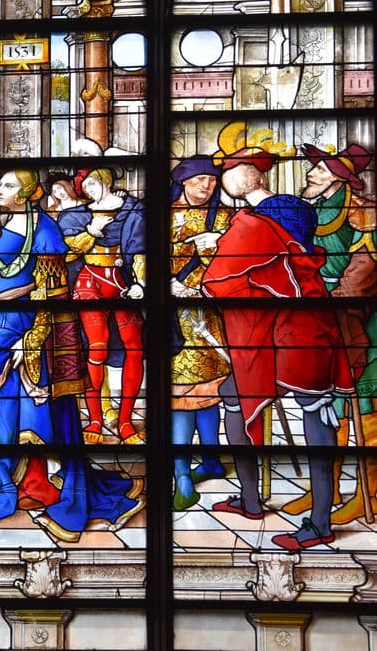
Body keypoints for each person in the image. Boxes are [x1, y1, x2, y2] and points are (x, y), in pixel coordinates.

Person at [0, 170, 143, 540]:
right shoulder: (7, 225)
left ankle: (45, 491)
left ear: (24, 194)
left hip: (24, 339)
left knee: (38, 418)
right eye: (0, 184)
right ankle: (13, 488)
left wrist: (29, 342)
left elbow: (53, 295)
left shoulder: (46, 232)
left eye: (7, 185)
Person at [201, 123, 355, 551]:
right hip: (298, 323)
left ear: (248, 175)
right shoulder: (293, 210)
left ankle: (320, 523)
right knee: (237, 394)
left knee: (315, 413)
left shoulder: (251, 224)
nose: (222, 179)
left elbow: (220, 278)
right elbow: (277, 261)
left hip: (295, 330)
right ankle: (251, 500)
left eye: (227, 171)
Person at [294, 142, 375, 523]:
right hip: (321, 318)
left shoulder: (362, 213)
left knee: (365, 407)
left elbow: (363, 270)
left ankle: (367, 493)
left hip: (357, 325)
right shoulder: (318, 210)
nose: (312, 173)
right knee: (332, 408)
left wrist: (332, 301)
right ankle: (326, 488)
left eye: (321, 169)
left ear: (340, 180)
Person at [60, 167, 146, 444]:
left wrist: (141, 282)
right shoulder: (77, 216)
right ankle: (95, 420)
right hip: (90, 282)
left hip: (122, 281)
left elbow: (141, 249)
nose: (89, 190)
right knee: (97, 346)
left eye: (93, 184)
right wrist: (92, 231)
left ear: (106, 182)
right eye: (85, 186)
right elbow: (70, 250)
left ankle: (125, 422)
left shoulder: (133, 211)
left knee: (135, 347)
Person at [167, 156, 233, 510]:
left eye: (211, 180)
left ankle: (202, 464)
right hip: (172, 318)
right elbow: (142, 256)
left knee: (207, 391)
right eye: (199, 180)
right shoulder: (162, 215)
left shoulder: (225, 217)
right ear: (183, 182)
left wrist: (211, 253)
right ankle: (186, 470)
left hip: (208, 318)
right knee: (179, 393)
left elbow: (232, 264)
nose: (206, 186)